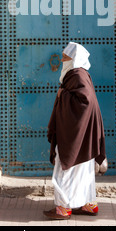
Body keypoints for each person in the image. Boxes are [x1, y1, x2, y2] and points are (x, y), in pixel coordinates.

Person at [43, 42, 106, 220]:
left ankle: (63, 208)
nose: (62, 60)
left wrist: (62, 94)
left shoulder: (77, 74)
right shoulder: (80, 74)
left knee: (65, 167)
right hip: (83, 132)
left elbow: (84, 103)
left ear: (75, 59)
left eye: (66, 57)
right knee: (83, 169)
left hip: (76, 133)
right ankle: (88, 204)